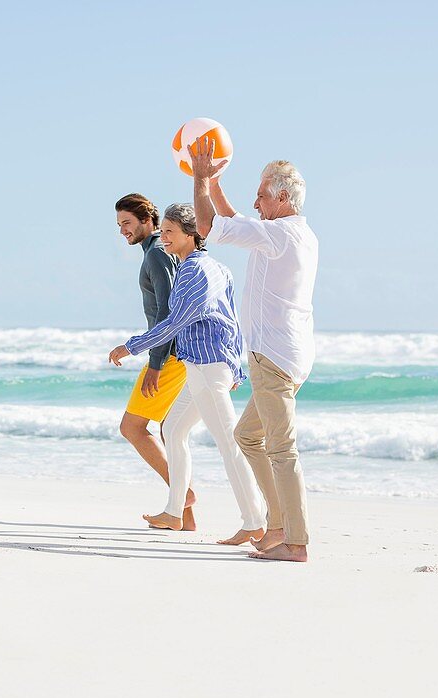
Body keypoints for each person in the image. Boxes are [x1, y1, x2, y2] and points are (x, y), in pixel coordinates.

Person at [190, 138, 318, 563]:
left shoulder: (280, 235)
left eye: (263, 194)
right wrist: (215, 185)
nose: (256, 200)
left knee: (282, 450)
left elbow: (208, 226)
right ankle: (278, 525)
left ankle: (295, 542)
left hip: (274, 357)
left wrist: (202, 180)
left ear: (283, 197)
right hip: (285, 354)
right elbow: (232, 220)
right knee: (248, 435)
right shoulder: (290, 232)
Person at [108, 204, 266, 543]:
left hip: (207, 369)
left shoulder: (195, 272)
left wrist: (131, 346)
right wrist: (234, 366)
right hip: (204, 367)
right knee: (173, 429)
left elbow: (175, 321)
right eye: (162, 230)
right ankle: (174, 512)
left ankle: (255, 520)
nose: (162, 238)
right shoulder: (217, 268)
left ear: (191, 235)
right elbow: (232, 321)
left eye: (169, 232)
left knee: (228, 444)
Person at [114, 193, 197, 530]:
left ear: (148, 220)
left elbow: (167, 309)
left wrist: (156, 363)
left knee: (132, 428)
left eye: (127, 223)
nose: (122, 231)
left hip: (171, 355)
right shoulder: (158, 252)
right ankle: (183, 517)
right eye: (119, 225)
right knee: (169, 430)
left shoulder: (157, 254)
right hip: (178, 352)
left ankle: (184, 494)